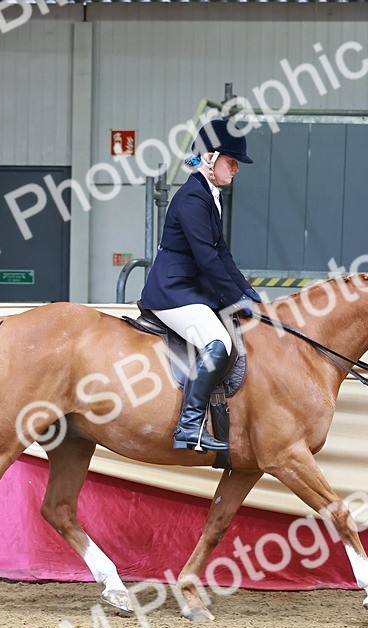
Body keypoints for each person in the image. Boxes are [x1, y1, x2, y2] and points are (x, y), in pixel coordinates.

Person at [140, 118, 263, 453]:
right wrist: (234, 297)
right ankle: (189, 426)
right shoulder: (193, 197)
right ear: (210, 158)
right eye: (232, 161)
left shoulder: (209, 194)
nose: (236, 168)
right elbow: (206, 259)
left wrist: (247, 292)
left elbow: (221, 253)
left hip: (190, 290)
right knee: (218, 342)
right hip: (173, 291)